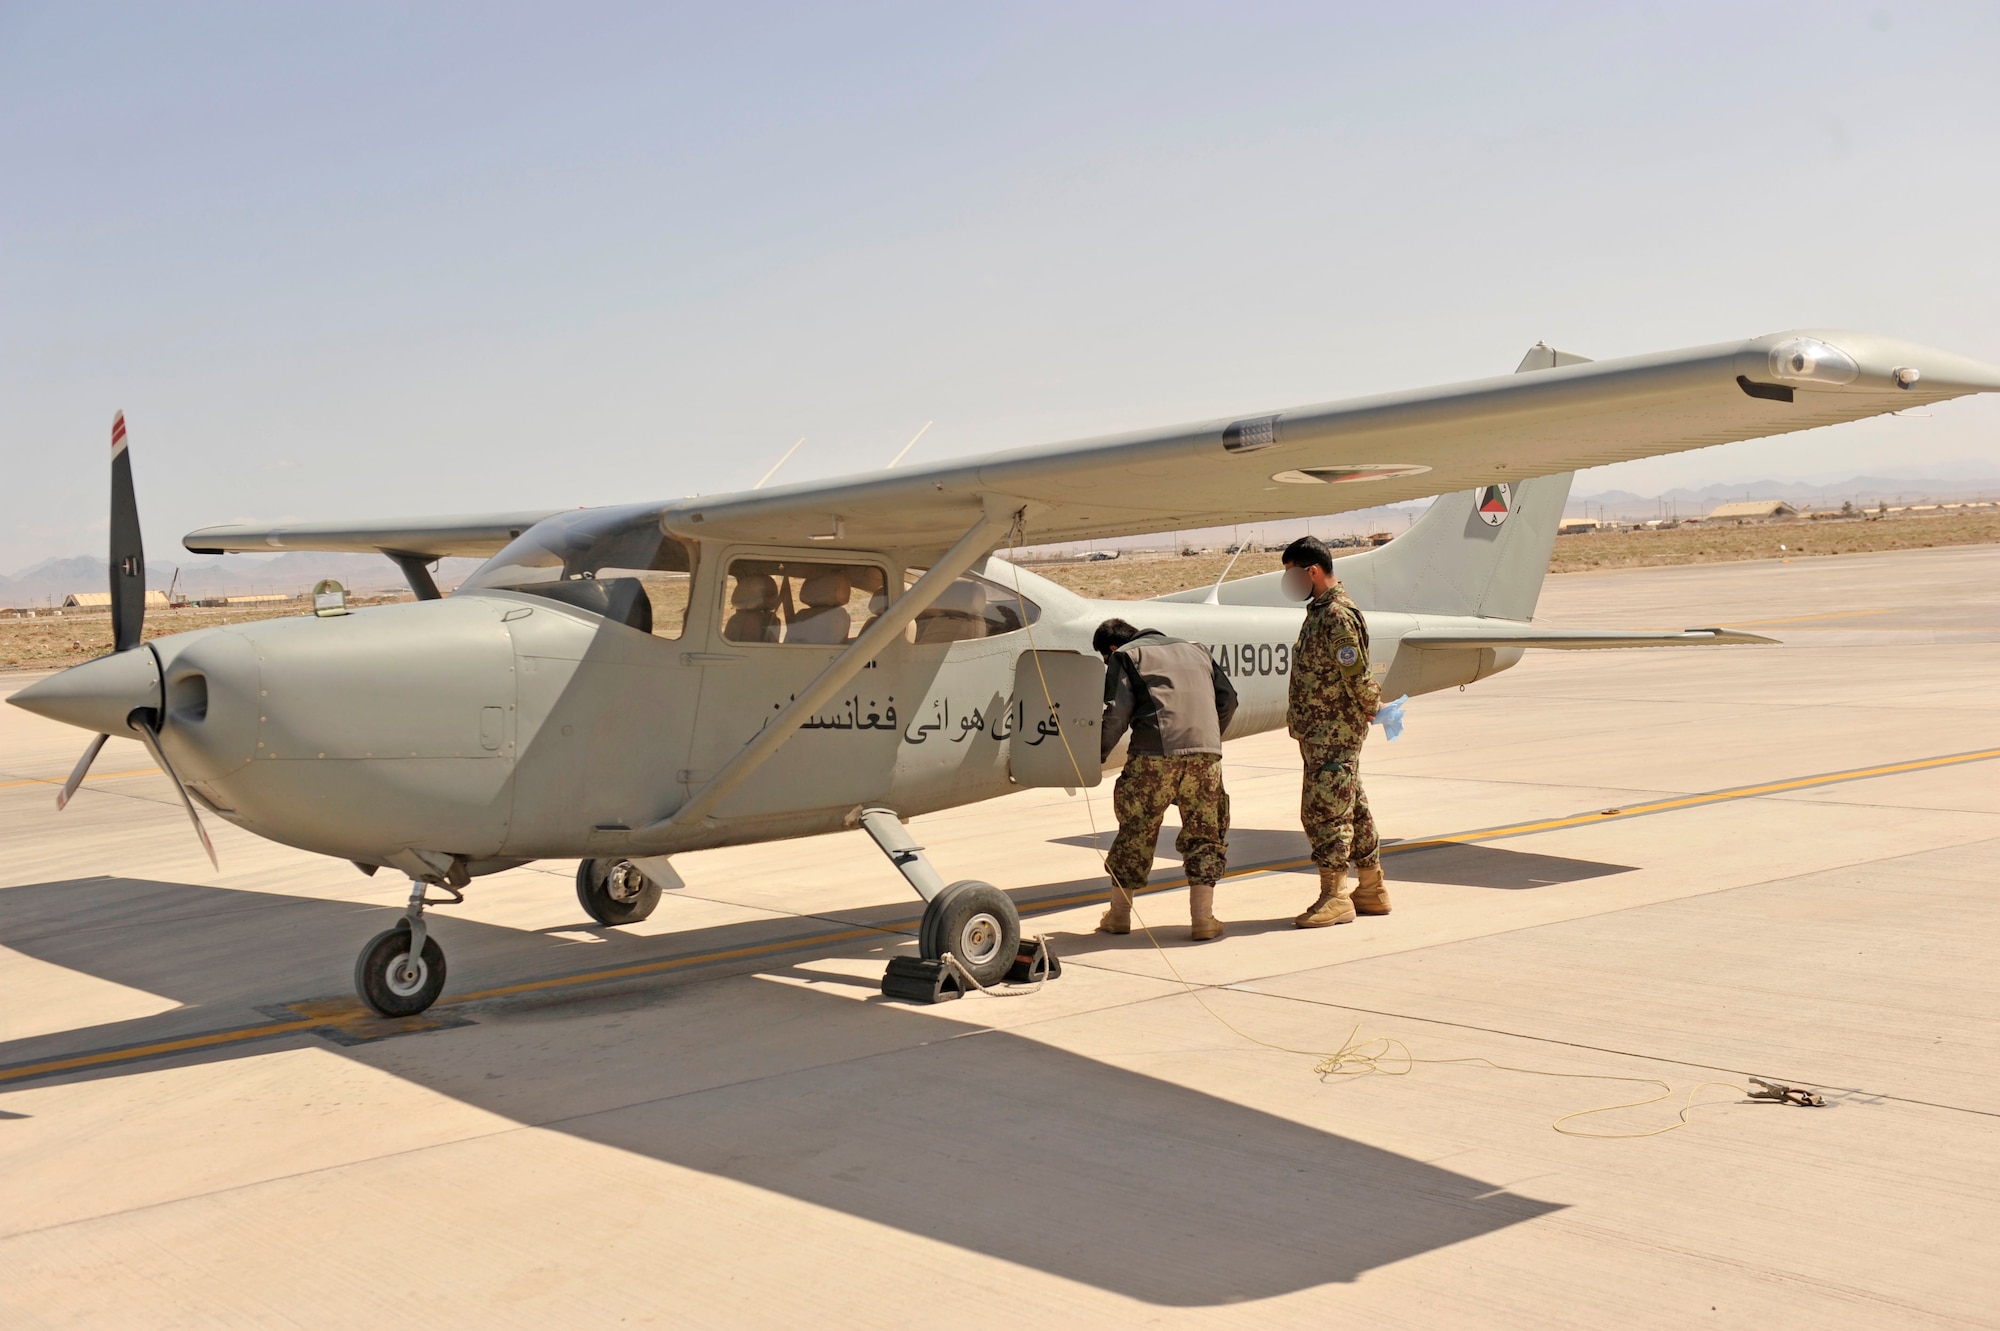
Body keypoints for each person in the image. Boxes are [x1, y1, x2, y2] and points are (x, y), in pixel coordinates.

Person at [1094, 617, 1240, 941]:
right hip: (1206, 755)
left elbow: (1115, 714)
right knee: (1205, 833)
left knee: (1137, 830)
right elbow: (1228, 700)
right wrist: (1208, 740)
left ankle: (1118, 916)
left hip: (1153, 755)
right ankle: (1203, 920)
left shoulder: (1126, 657)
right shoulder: (1197, 650)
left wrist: (1094, 756)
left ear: (1111, 648)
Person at [1279, 535, 1389, 927]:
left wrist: (1372, 708)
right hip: (1323, 731)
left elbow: (1356, 673)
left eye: (1291, 574)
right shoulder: (1321, 611)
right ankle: (1371, 888)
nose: (1288, 582)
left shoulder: (1336, 615)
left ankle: (1335, 896)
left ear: (1312, 571)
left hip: (1332, 732)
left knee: (1324, 813)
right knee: (1352, 807)